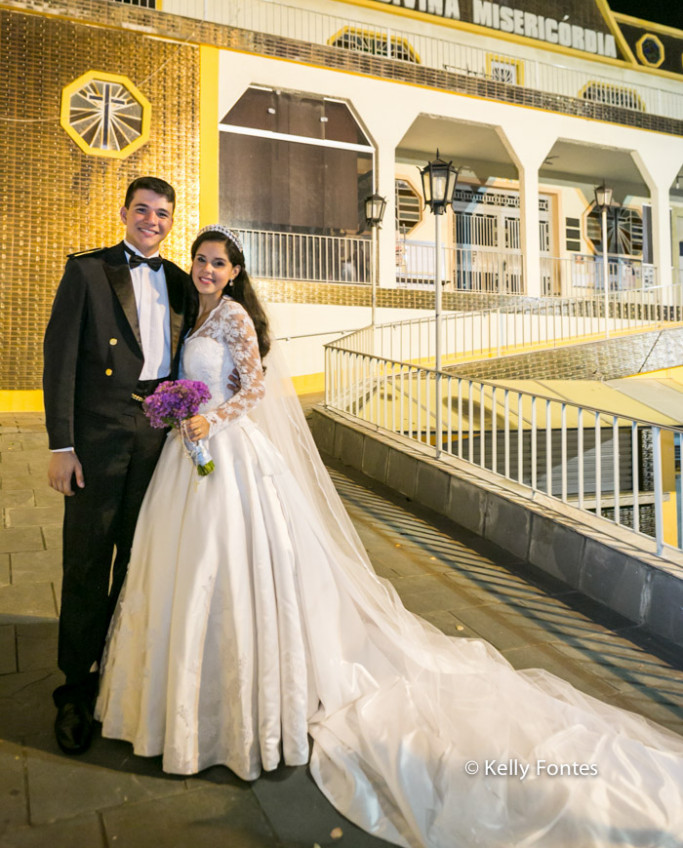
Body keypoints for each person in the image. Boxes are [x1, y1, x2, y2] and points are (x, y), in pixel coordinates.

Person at [96, 224, 683, 847]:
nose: (207, 269)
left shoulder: (236, 317)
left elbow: (255, 388)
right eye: (201, 260)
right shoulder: (195, 316)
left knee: (235, 565)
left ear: (235, 271)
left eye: (218, 263)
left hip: (229, 452)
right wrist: (181, 408)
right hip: (188, 456)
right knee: (186, 571)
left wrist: (209, 416)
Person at [43, 177, 195, 756]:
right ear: (125, 213)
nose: (151, 221)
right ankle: (75, 692)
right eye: (142, 210)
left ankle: (118, 671)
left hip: (156, 439)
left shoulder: (181, 282)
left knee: (137, 563)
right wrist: (62, 446)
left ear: (170, 221)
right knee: (86, 560)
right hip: (99, 436)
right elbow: (59, 362)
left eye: (162, 214)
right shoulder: (87, 271)